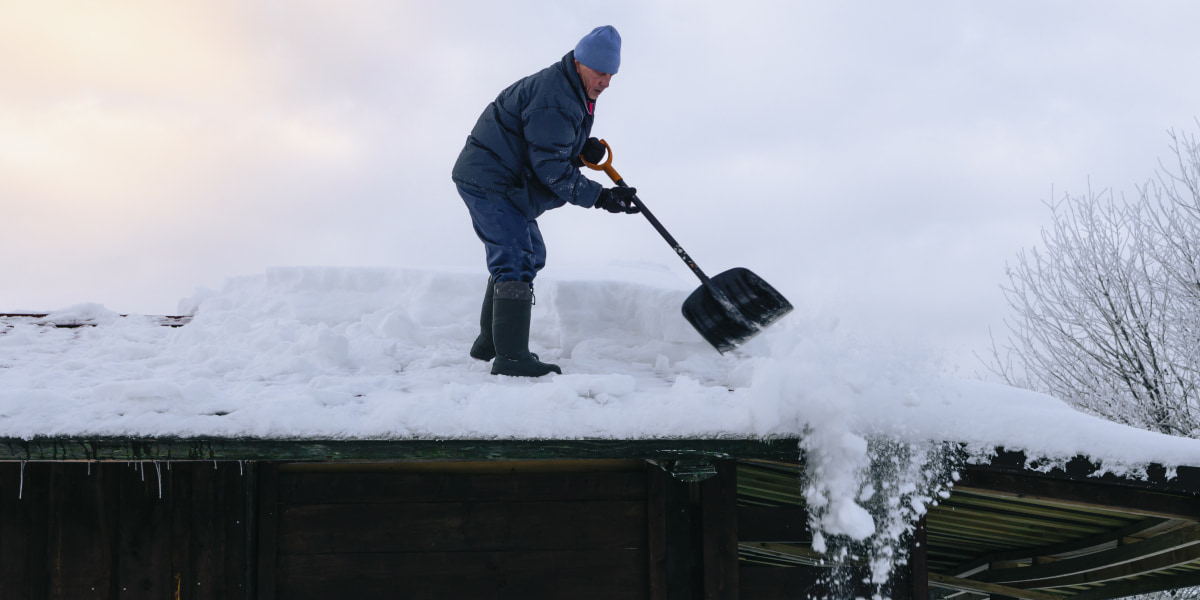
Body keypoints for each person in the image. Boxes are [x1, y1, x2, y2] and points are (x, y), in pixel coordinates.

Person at [452, 25, 640, 377]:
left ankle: (490, 342)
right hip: (492, 180)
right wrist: (601, 197)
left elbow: (543, 144)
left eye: (611, 75)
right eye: (600, 73)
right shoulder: (556, 98)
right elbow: (551, 169)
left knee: (530, 254)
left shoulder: (571, 88)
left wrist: (580, 150)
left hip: (506, 179)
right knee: (515, 259)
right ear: (580, 62)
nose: (606, 82)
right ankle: (510, 358)